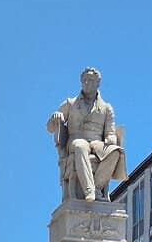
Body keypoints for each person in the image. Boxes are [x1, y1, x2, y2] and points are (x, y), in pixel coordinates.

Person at [47, 67, 127, 202]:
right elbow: (50, 127)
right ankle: (89, 190)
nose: (86, 83)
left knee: (116, 152)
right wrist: (56, 117)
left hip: (97, 142)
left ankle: (96, 187)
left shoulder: (106, 108)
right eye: (84, 80)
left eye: (90, 80)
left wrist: (111, 138)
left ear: (97, 83)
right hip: (77, 139)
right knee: (81, 146)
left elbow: (110, 131)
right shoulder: (71, 103)